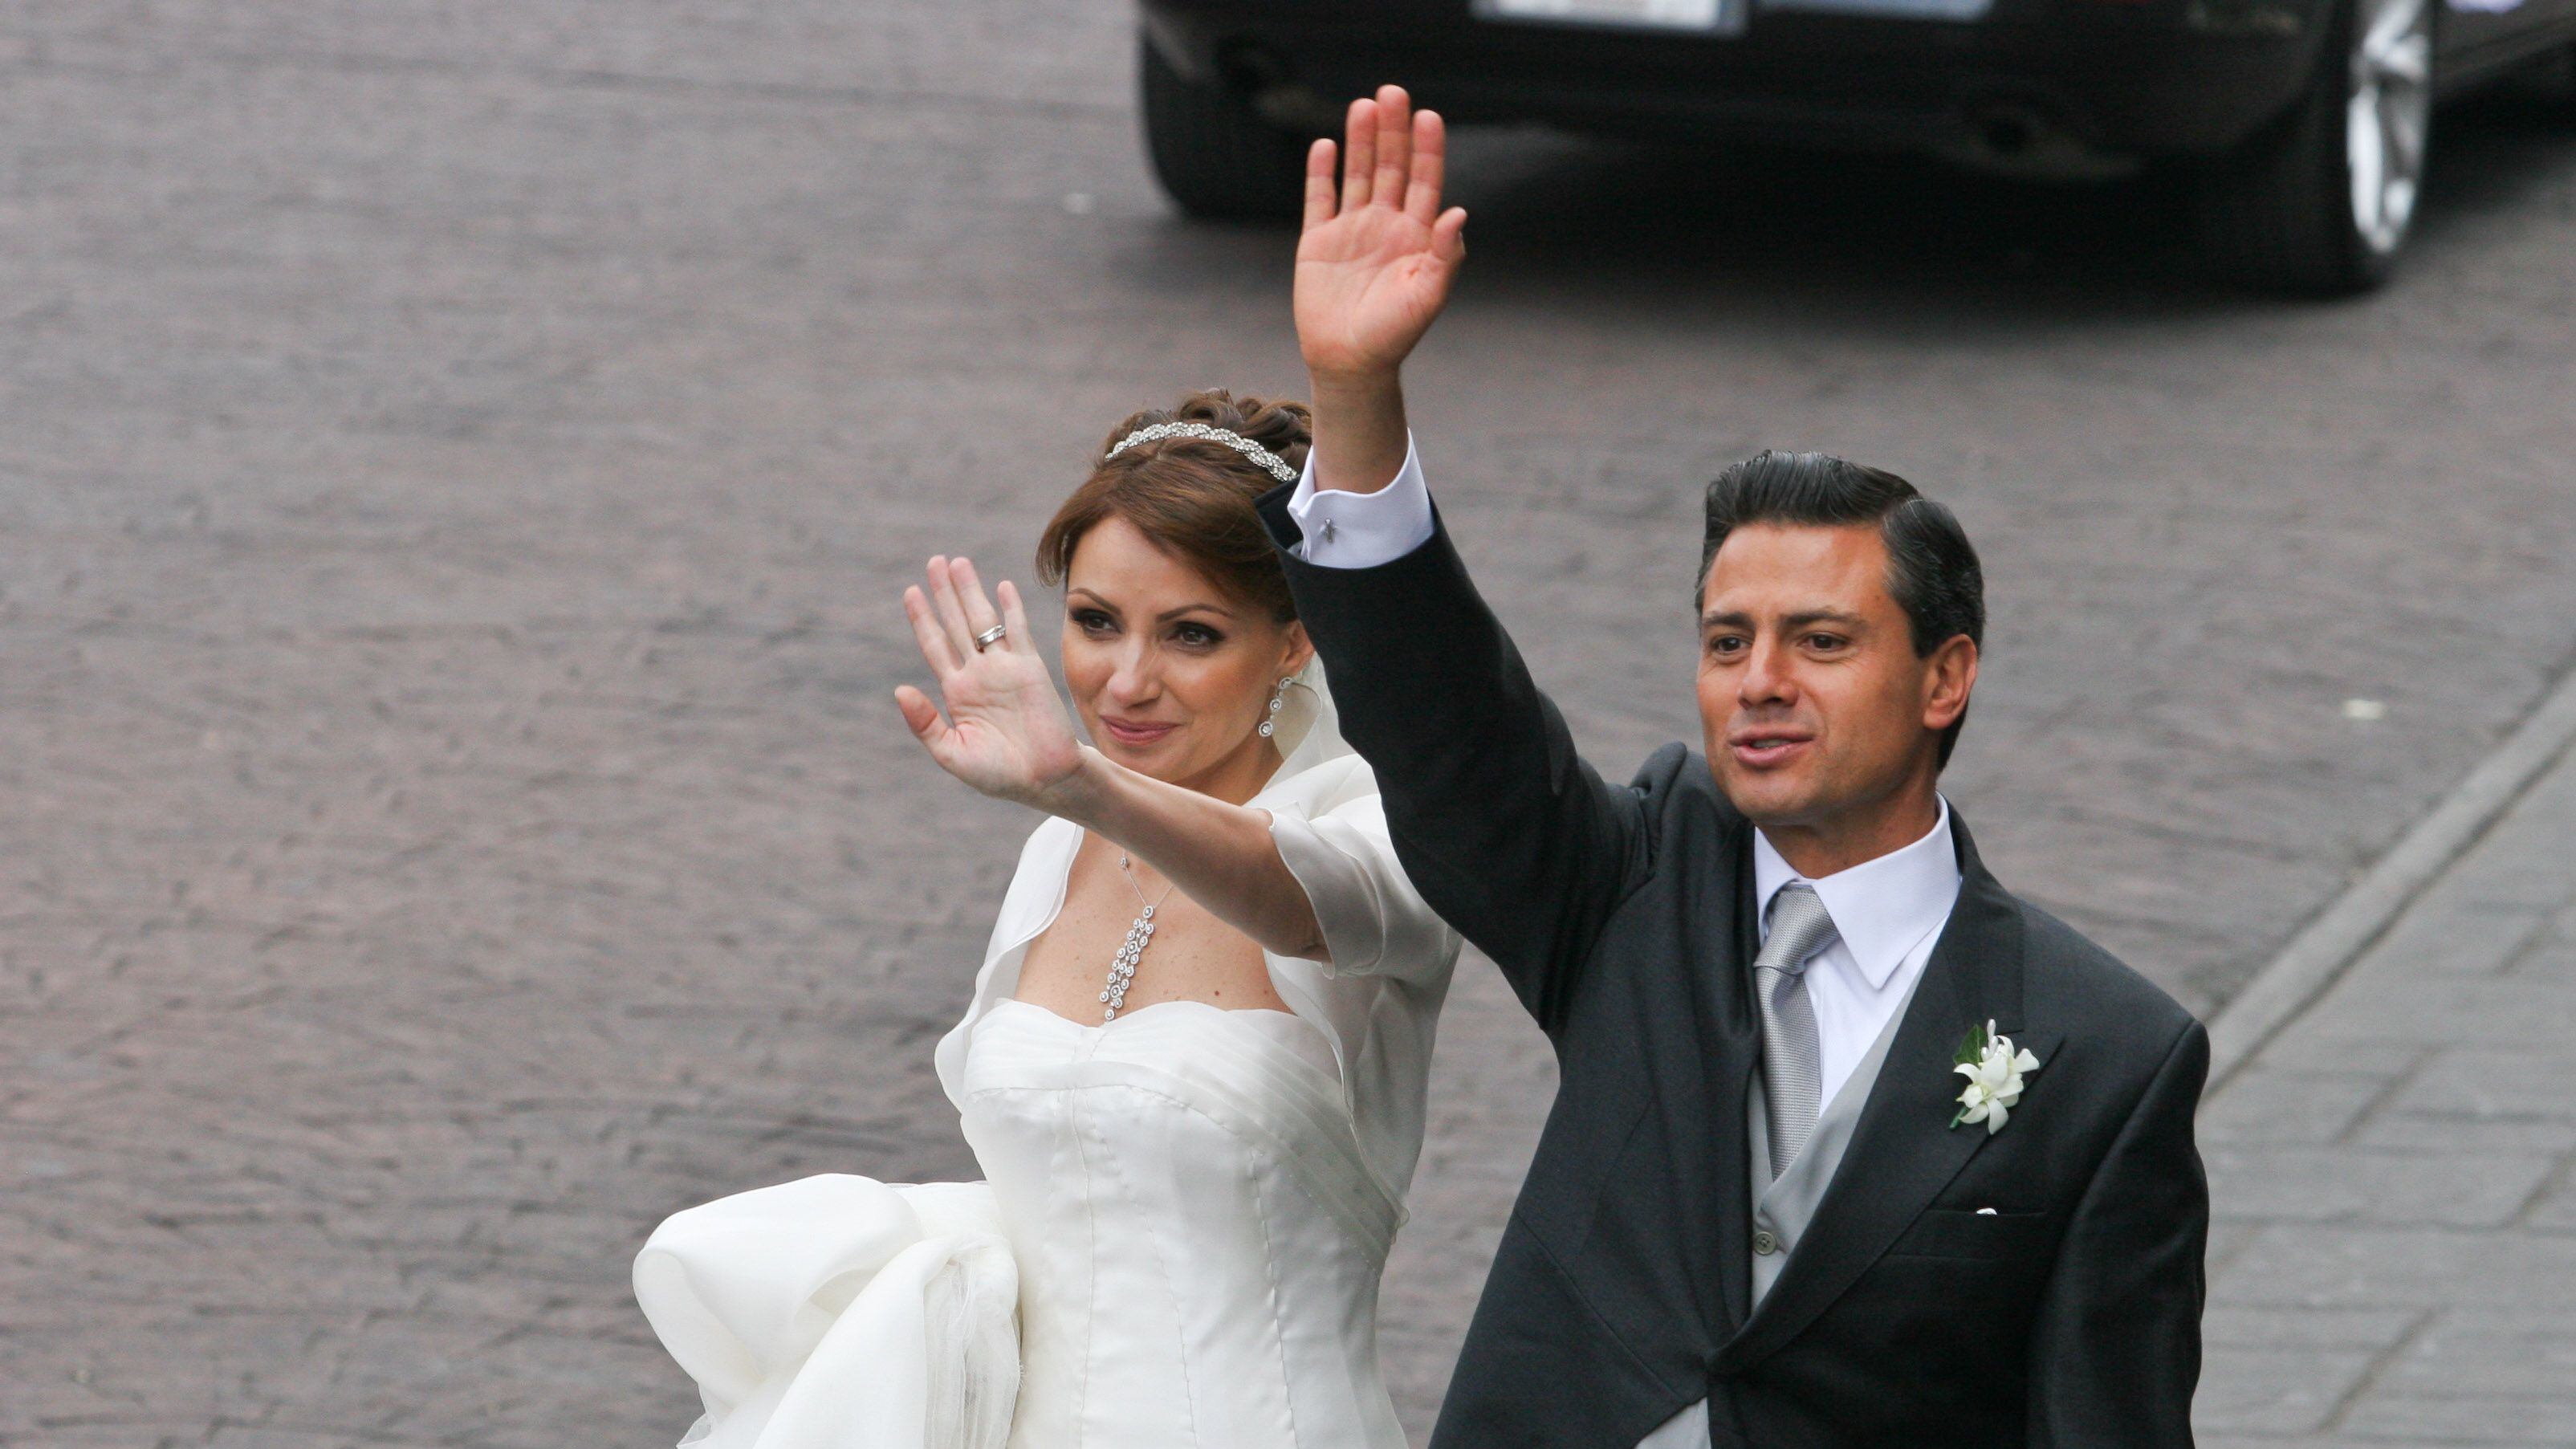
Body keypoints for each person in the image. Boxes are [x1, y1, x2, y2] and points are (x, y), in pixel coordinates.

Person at [1268, 87, 2210, 1448]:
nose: (1758, 679)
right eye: (1727, 638)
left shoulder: (2105, 1051)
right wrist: (1355, 400)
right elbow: (1448, 736)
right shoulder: (1638, 876)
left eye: (1818, 639)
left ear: (1945, 675)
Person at [633, 389, 1463, 1449]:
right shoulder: (1056, 849)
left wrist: (1081, 782)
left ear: (1292, 641)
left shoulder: (1377, 830)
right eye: (1094, 621)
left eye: (1191, 634)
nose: (1126, 682)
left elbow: (1298, 898)